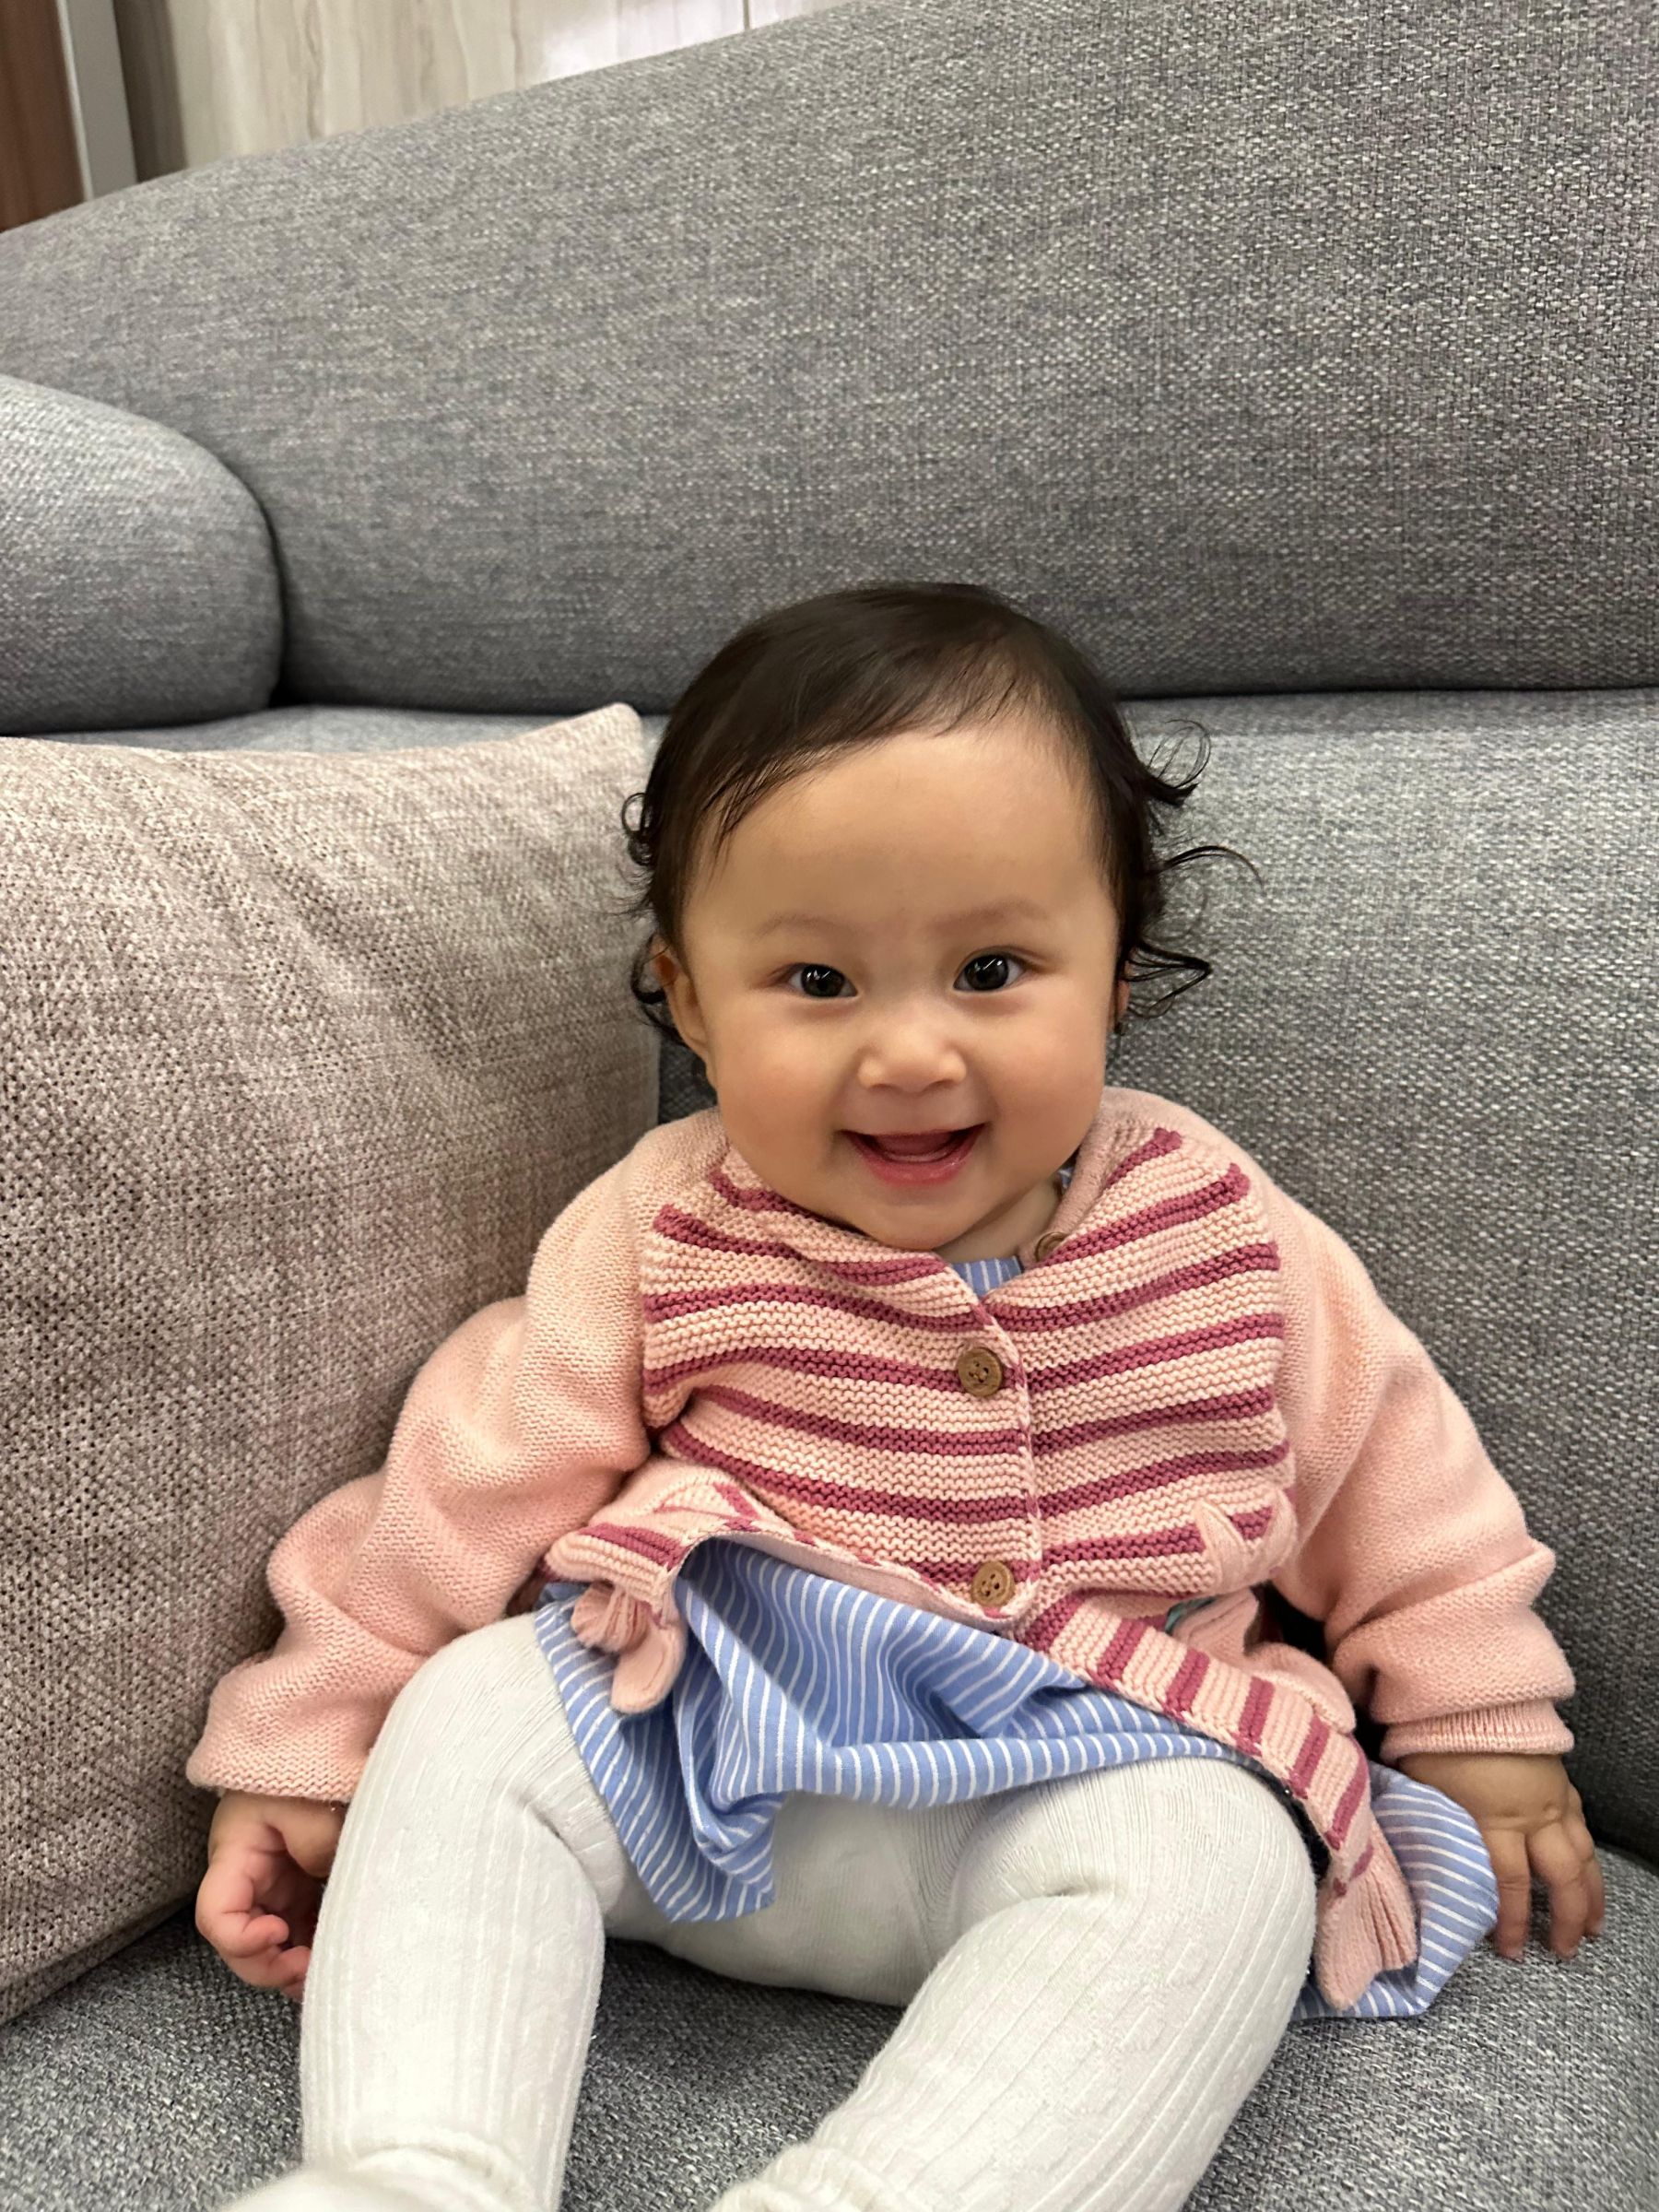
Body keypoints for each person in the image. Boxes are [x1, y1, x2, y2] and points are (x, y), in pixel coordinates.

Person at [194, 582, 1606, 2212]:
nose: (912, 1055)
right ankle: (410, 2174)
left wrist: (1481, 1723)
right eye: (818, 981)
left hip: (1071, 1777)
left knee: (1224, 1861)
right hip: (699, 1747)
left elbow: (1398, 1487)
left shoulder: (1220, 1226)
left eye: (991, 969)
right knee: (475, 1710)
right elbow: (465, 1485)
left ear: (1114, 977)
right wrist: (310, 1744)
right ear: (694, 1001)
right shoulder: (670, 1224)